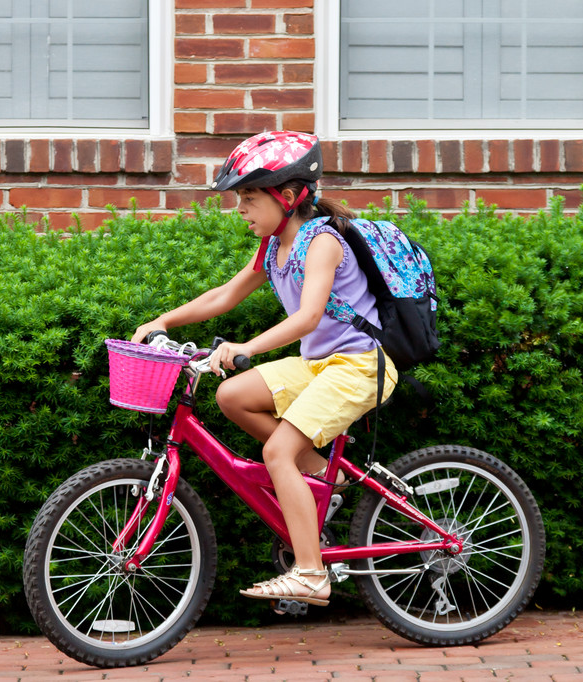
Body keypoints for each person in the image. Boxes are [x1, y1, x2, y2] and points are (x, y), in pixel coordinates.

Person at [131, 130, 398, 607]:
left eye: (250, 198)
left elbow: (308, 317)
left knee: (277, 454)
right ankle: (323, 476)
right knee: (231, 396)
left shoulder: (322, 243)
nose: (241, 209)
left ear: (289, 196)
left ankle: (312, 574)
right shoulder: (274, 249)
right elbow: (224, 296)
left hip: (358, 366)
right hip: (319, 366)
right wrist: (163, 320)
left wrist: (245, 347)